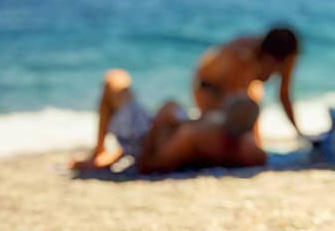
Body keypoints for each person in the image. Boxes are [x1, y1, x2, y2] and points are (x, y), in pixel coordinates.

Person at [72, 70, 264, 174]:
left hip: (142, 138)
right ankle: (105, 153)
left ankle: (99, 153)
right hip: (159, 135)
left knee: (113, 79)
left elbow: (147, 165)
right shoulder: (252, 150)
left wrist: (160, 121)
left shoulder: (193, 135)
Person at [193, 26, 305, 142]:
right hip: (209, 87)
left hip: (239, 88)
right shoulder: (244, 55)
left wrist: (298, 132)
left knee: (251, 134)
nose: (275, 73)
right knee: (226, 133)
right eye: (275, 68)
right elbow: (231, 99)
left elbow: (284, 95)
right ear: (269, 58)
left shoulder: (286, 57)